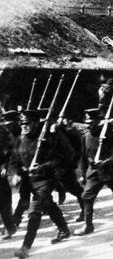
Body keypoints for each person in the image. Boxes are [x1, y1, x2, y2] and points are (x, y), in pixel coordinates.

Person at [11, 109, 73, 259]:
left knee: (35, 210)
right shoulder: (19, 139)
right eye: (21, 123)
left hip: (45, 179)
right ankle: (64, 230)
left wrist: (41, 167)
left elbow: (60, 159)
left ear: (35, 123)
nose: (23, 126)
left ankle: (25, 248)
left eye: (27, 123)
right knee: (49, 205)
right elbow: (13, 161)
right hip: (28, 181)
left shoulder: (46, 139)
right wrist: (15, 173)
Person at [74, 108, 113, 236]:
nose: (88, 124)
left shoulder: (109, 134)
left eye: (91, 122)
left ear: (98, 121)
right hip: (93, 172)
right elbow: (83, 156)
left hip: (110, 171)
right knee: (87, 197)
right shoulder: (86, 136)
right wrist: (82, 173)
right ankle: (88, 225)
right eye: (87, 122)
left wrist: (106, 162)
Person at [0, 110, 17, 240]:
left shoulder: (2, 132)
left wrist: (5, 166)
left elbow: (10, 151)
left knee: (4, 201)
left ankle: (9, 227)